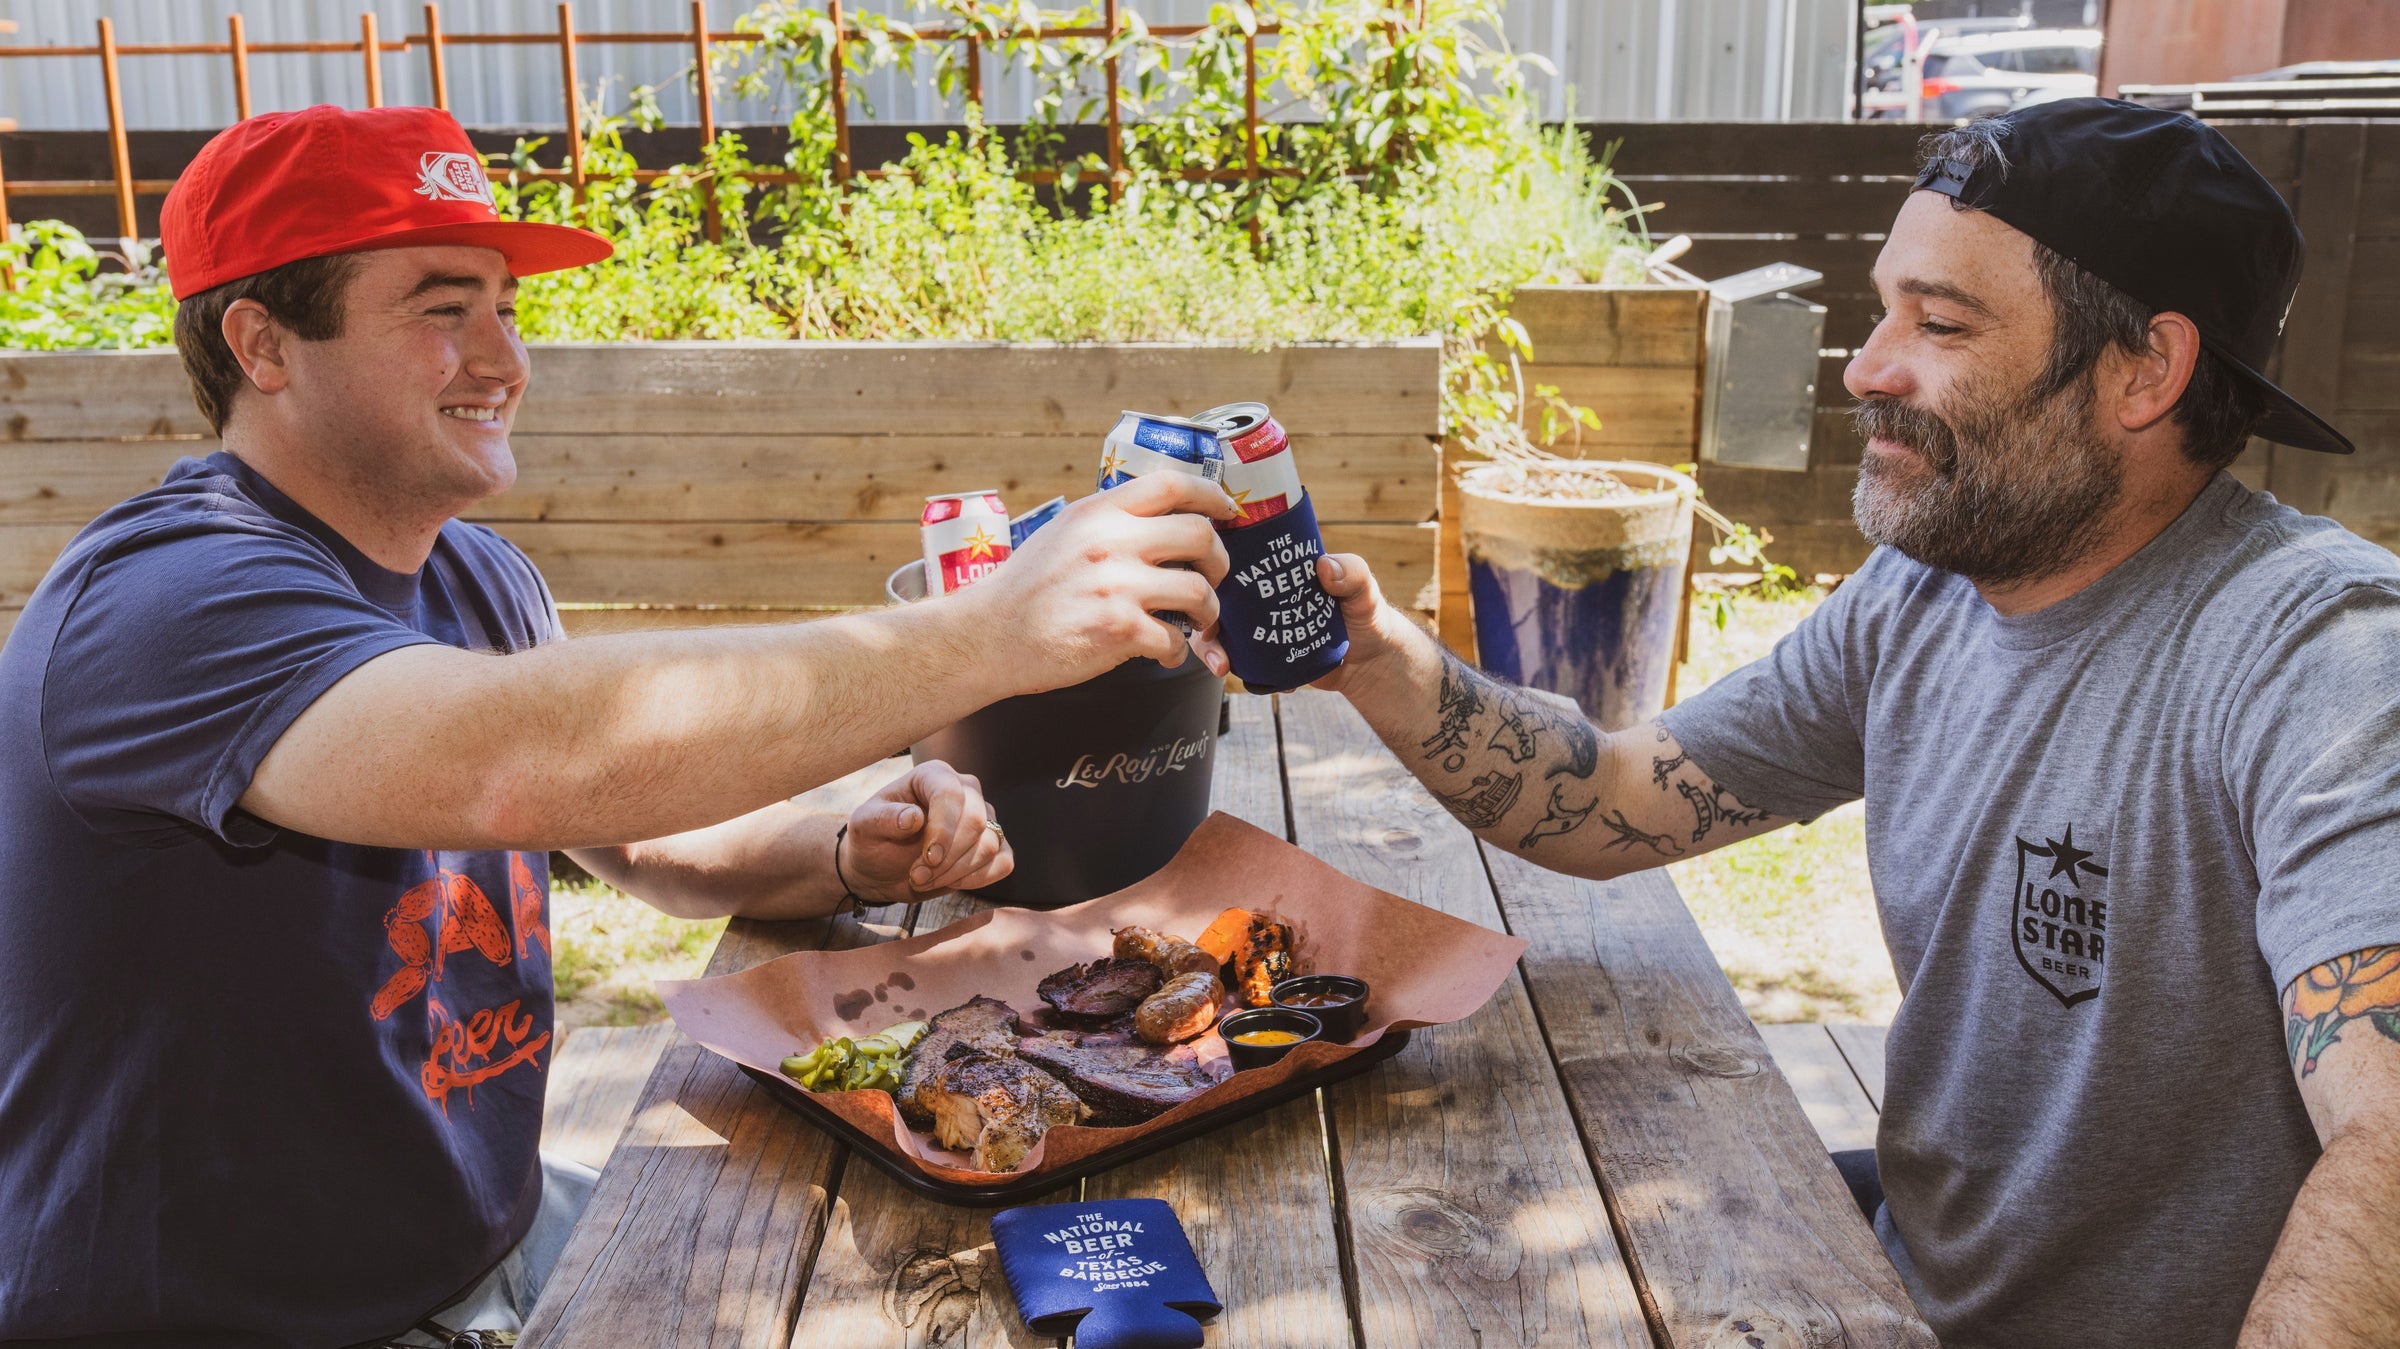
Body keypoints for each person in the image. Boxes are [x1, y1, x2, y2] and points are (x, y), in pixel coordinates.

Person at [0, 107, 1235, 1347]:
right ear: (262, 343)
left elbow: (633, 837)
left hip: (490, 1244)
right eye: (443, 310)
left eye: (507, 305)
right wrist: (983, 637)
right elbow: (506, 762)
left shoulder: (474, 574)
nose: (503, 357)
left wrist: (848, 853)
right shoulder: (166, 598)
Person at [1301, 100, 2400, 1347]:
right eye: (1885, 308)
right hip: (1889, 1285)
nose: (1868, 365)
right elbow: (1613, 796)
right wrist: (1366, 651)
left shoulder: (2328, 657)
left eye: (1939, 323)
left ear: (2145, 369)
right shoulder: (1924, 594)